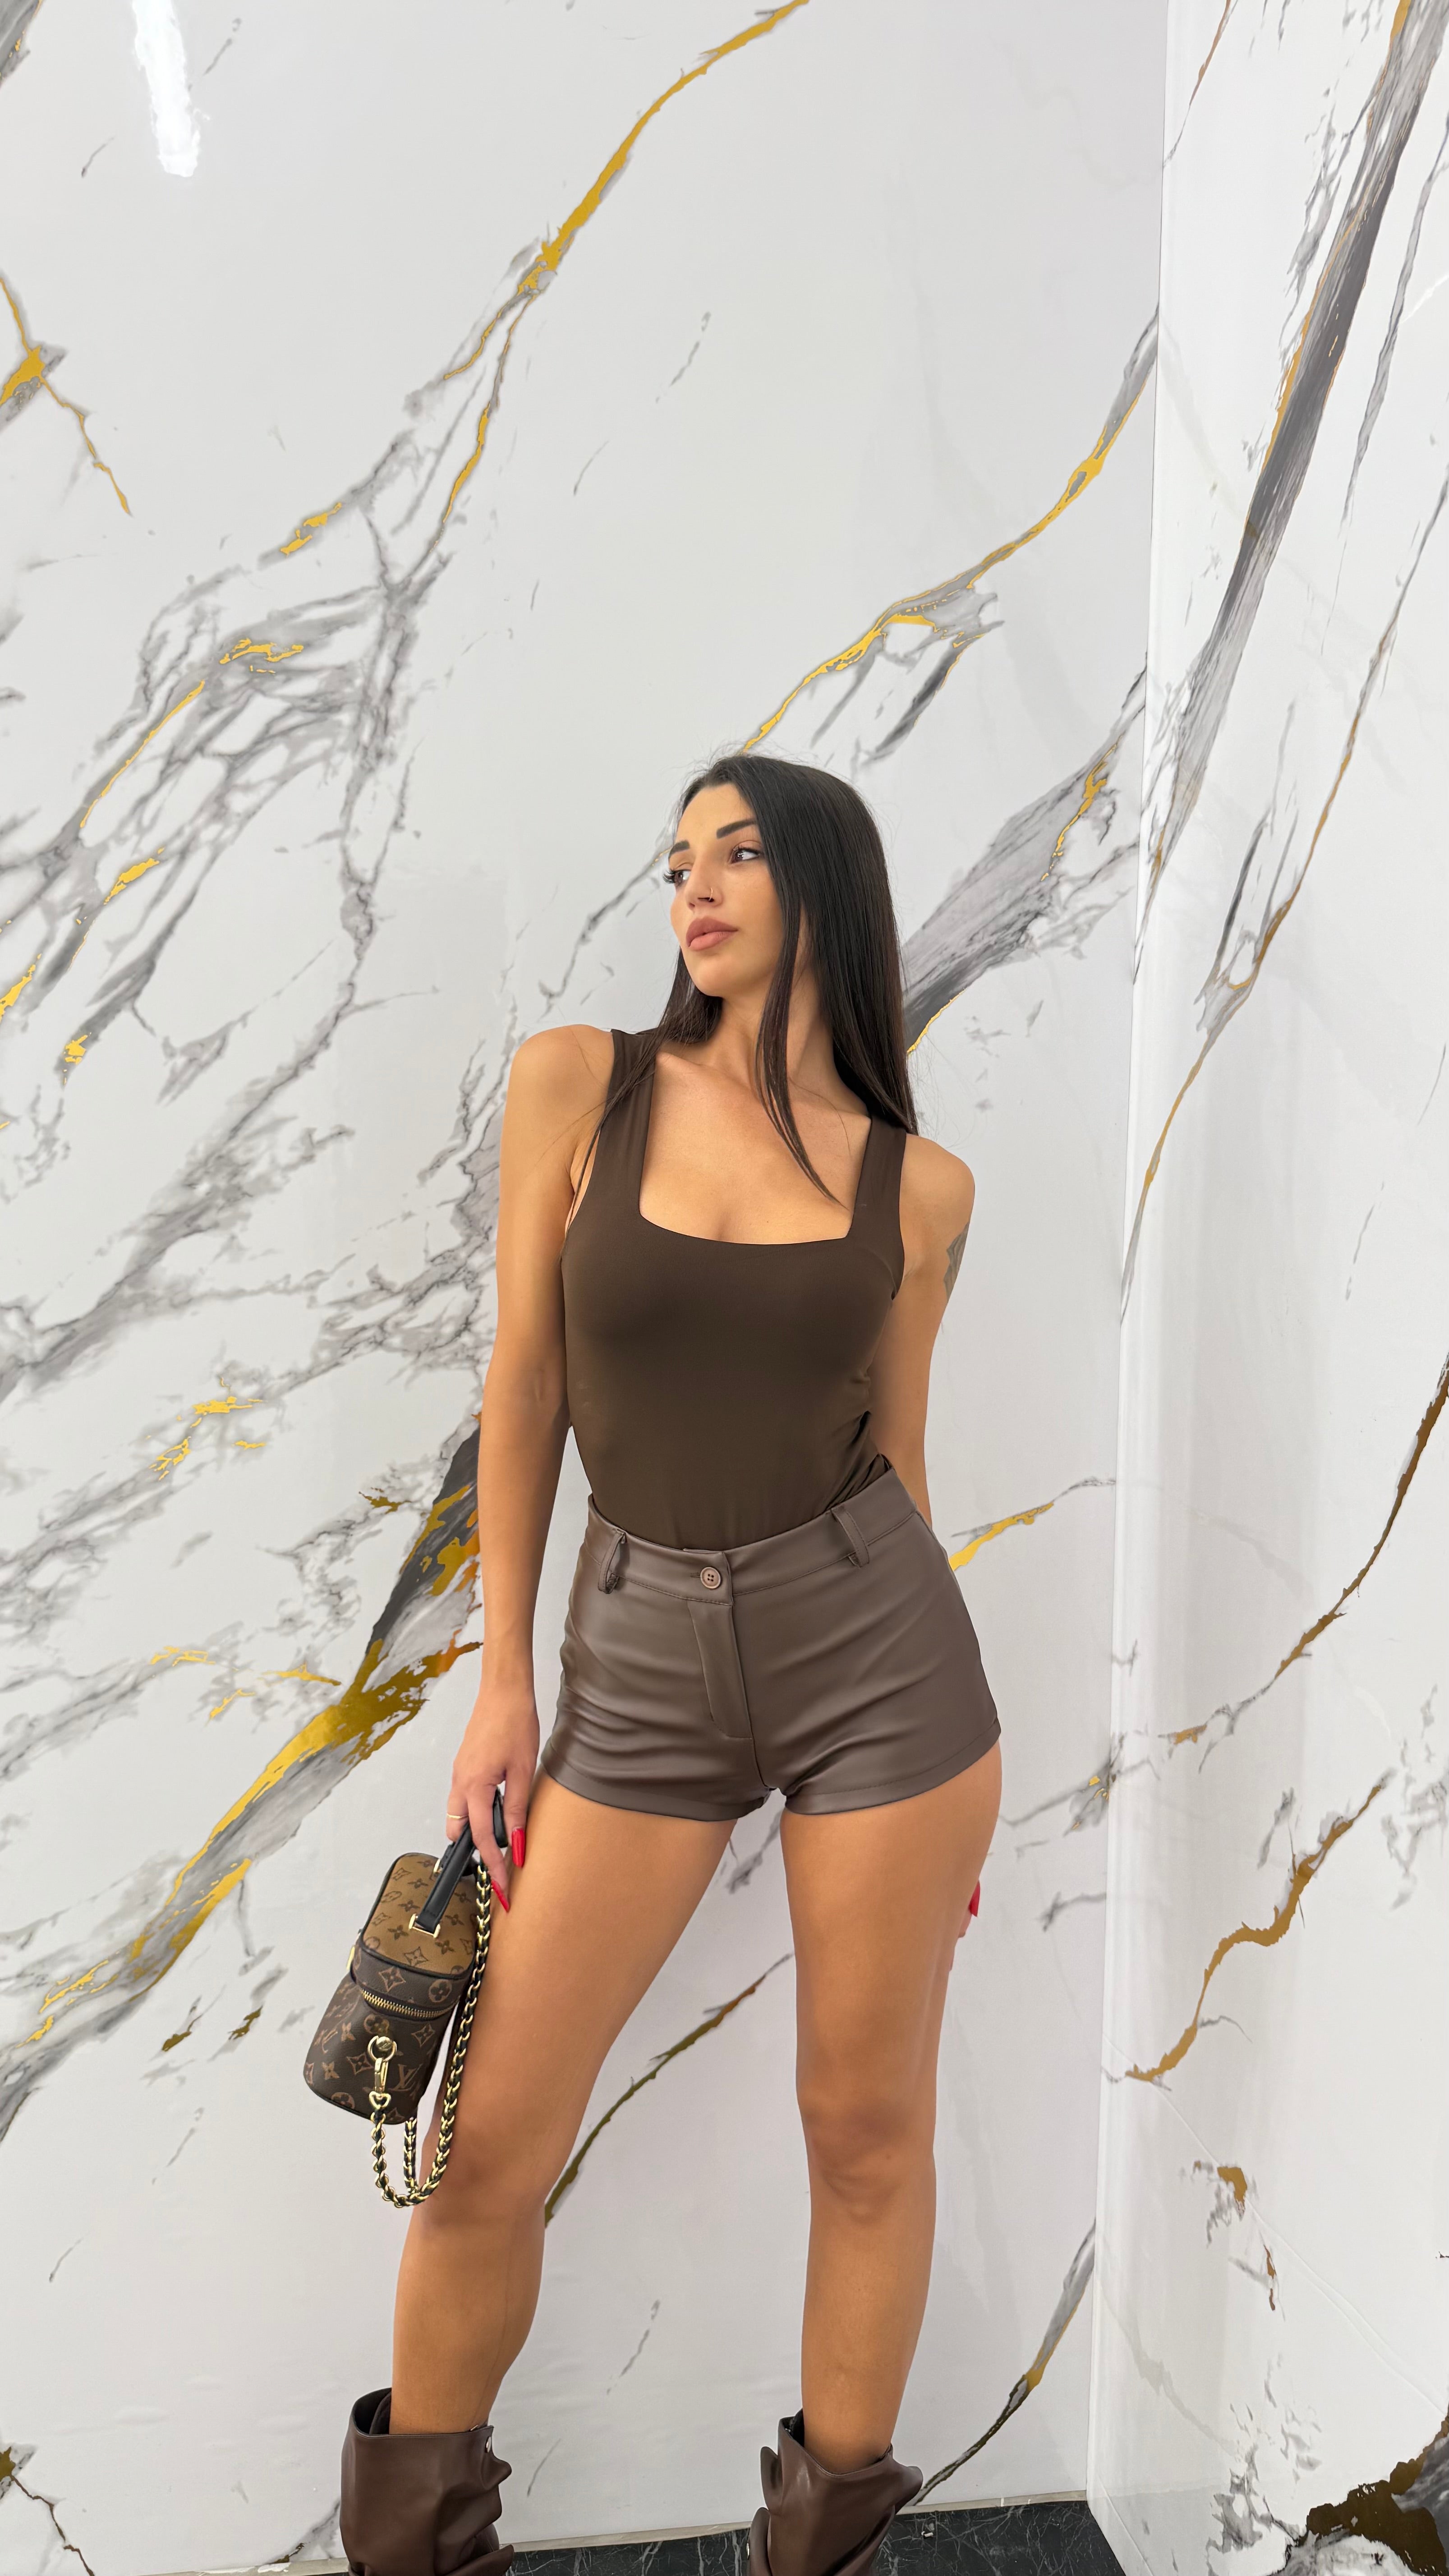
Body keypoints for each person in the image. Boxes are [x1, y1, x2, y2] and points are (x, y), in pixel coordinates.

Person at [338, 753, 1003, 2576]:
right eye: (678, 860)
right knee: (487, 2147)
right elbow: (525, 1382)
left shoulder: (922, 1188)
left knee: (862, 2131)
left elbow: (905, 1468)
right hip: (631, 1667)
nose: (694, 887)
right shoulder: (585, 1084)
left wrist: (955, 1806)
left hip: (881, 1666)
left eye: (739, 853)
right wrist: (502, 1683)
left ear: (826, 888)